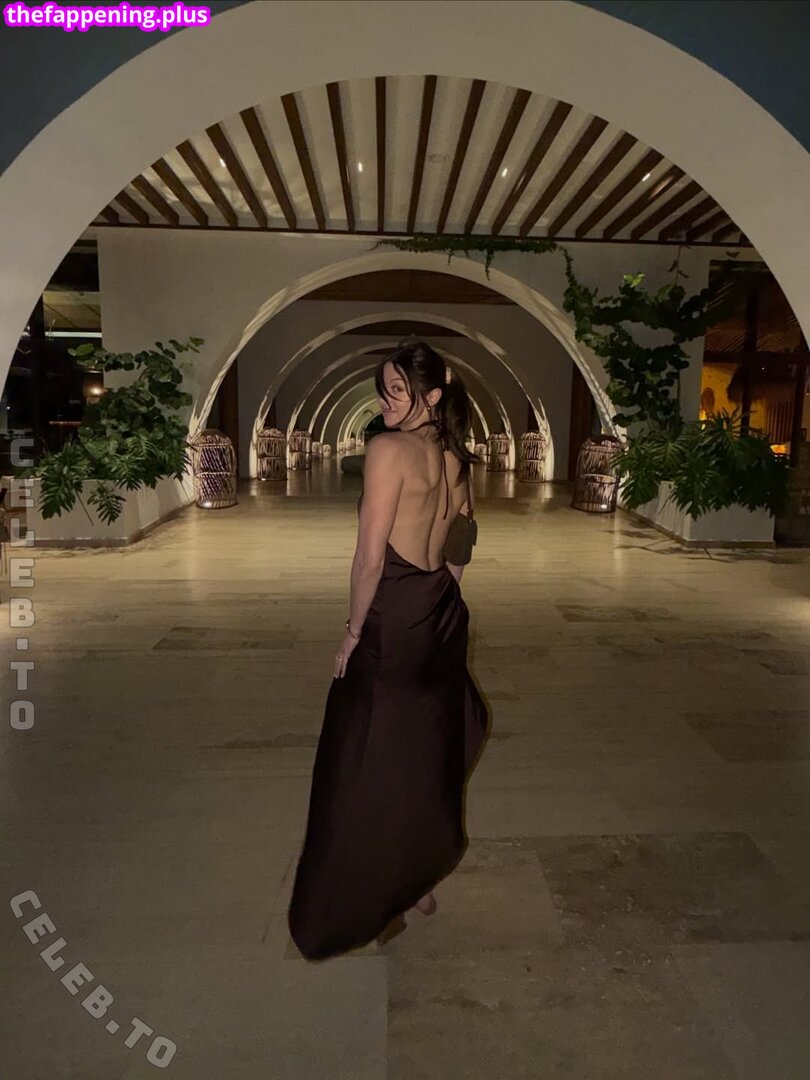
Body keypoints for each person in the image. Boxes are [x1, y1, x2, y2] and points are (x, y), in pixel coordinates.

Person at [287, 341, 490, 961]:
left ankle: (372, 895)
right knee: (420, 753)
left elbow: (369, 559)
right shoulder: (454, 456)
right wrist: (443, 598)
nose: (385, 401)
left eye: (397, 390)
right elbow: (462, 539)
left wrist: (353, 632)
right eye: (383, 389)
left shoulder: (386, 451)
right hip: (438, 611)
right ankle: (416, 880)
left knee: (361, 762)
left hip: (392, 621)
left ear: (432, 394)